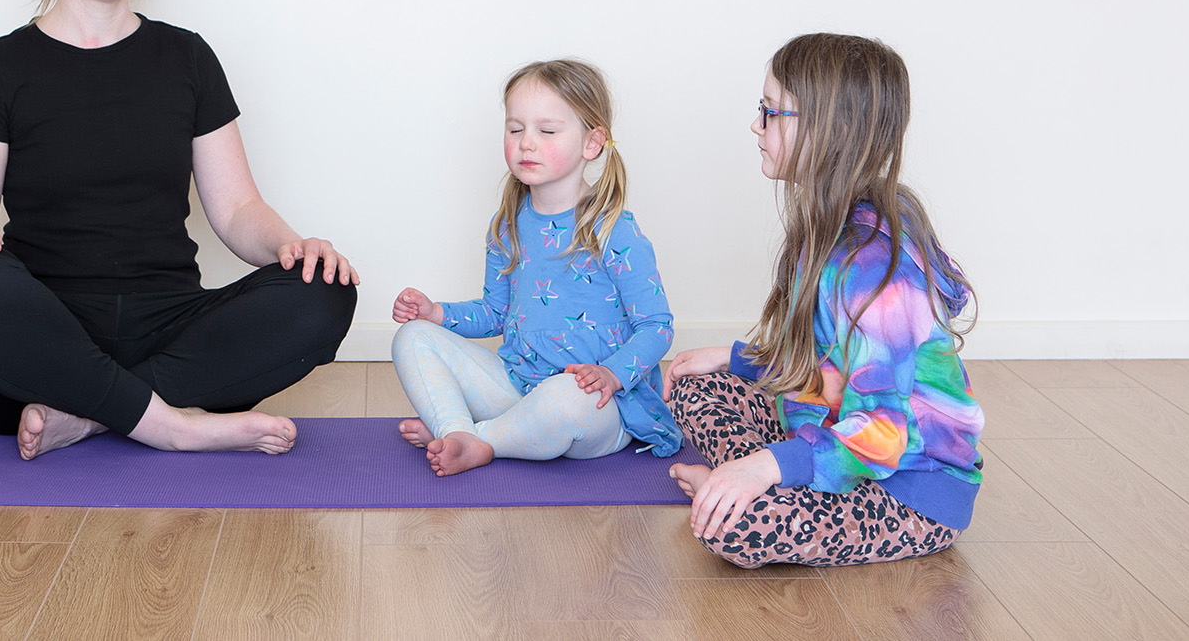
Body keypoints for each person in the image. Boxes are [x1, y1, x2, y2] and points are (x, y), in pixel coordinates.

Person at [0, 0, 358, 459]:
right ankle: (171, 423)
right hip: (44, 333)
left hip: (168, 324)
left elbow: (236, 210)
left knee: (325, 290)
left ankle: (95, 414)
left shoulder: (188, 58)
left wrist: (294, 247)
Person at [665, 32, 984, 568]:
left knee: (739, 529)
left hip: (906, 491)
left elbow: (884, 433)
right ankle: (746, 485)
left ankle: (742, 495)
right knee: (694, 383)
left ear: (827, 132)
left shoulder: (876, 273)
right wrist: (736, 358)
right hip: (828, 432)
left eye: (770, 112)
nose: (755, 125)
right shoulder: (825, 229)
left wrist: (764, 466)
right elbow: (826, 362)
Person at [390, 59, 680, 476]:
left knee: (564, 398)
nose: (527, 143)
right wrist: (436, 313)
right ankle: (457, 432)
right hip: (518, 386)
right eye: (515, 129)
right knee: (413, 338)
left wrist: (612, 376)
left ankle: (483, 437)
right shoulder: (508, 223)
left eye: (546, 131)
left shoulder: (615, 230)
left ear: (592, 143)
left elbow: (657, 325)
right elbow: (496, 313)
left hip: (597, 404)